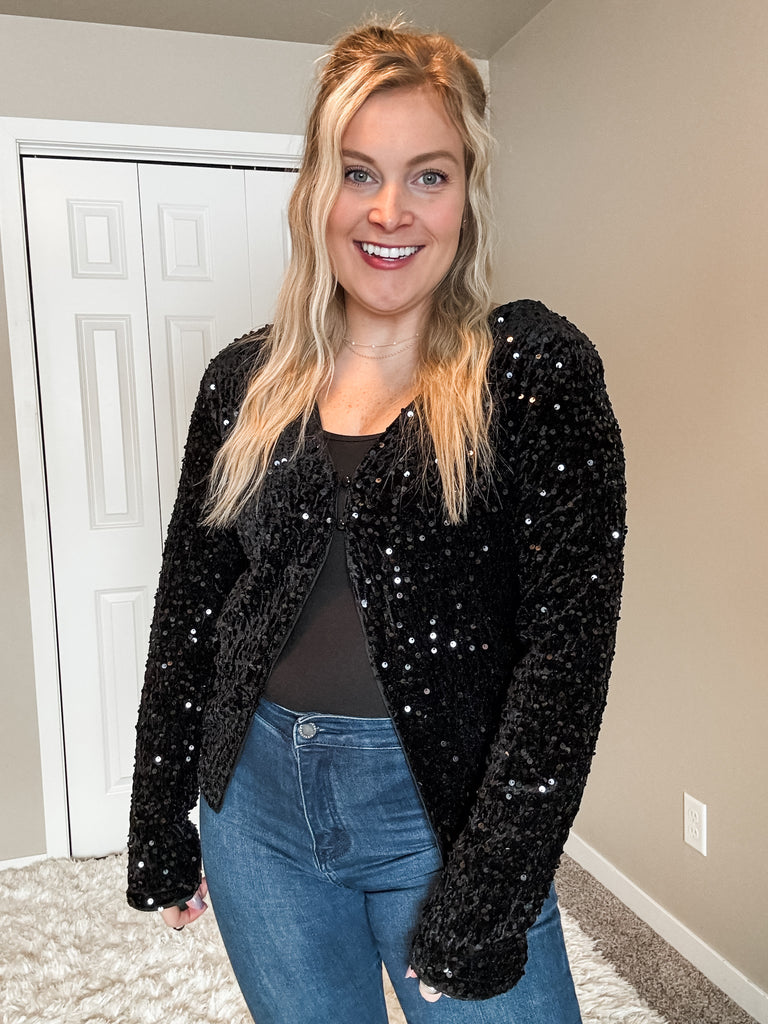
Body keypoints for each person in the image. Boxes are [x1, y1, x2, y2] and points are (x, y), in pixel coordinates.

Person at [127, 19, 626, 1024]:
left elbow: (564, 658)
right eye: (359, 173)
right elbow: (191, 607)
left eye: (427, 176)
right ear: (319, 190)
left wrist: (487, 899)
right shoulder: (244, 382)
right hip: (255, 810)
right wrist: (159, 823)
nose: (390, 210)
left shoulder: (531, 373)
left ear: (466, 195)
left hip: (442, 818)